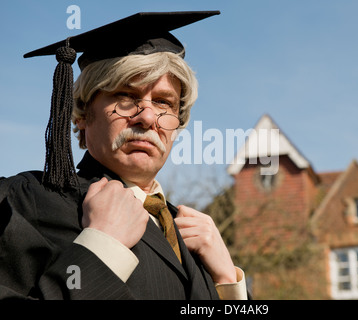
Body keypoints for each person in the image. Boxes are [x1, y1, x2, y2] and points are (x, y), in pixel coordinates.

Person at [0, 11, 247, 300]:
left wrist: (228, 283)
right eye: (126, 97)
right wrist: (102, 248)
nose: (147, 117)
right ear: (81, 113)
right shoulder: (27, 200)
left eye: (163, 102)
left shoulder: (192, 236)